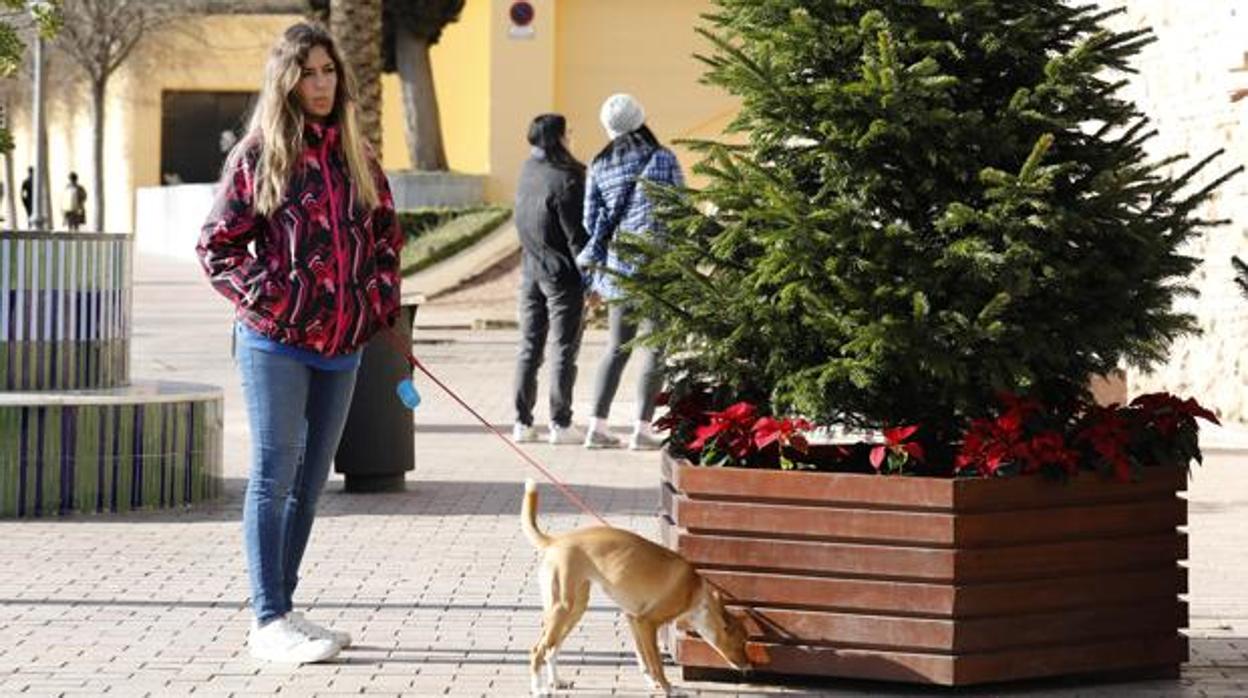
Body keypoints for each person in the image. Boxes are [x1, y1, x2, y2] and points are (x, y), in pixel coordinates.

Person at [196, 23, 403, 664]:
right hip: (275, 343)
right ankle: (267, 619)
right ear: (287, 80)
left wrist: (375, 303)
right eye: (308, 72)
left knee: (310, 483)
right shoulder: (259, 155)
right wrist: (279, 298)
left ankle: (283, 607)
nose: (320, 83)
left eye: (328, 71)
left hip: (342, 347)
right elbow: (216, 247)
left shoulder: (358, 157)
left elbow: (387, 240)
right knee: (274, 475)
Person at [575, 94, 685, 451]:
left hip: (620, 269)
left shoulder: (599, 164)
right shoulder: (663, 157)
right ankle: (642, 428)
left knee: (616, 348)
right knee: (655, 348)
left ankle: (597, 426)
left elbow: (591, 222)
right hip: (658, 265)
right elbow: (681, 208)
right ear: (641, 120)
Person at [511, 114, 590, 445]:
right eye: (567, 133)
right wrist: (593, 279)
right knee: (562, 348)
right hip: (562, 276)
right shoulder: (568, 177)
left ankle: (521, 422)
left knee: (529, 347)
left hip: (530, 270)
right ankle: (560, 423)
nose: (570, 137)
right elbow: (576, 237)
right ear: (558, 137)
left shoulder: (527, 171)